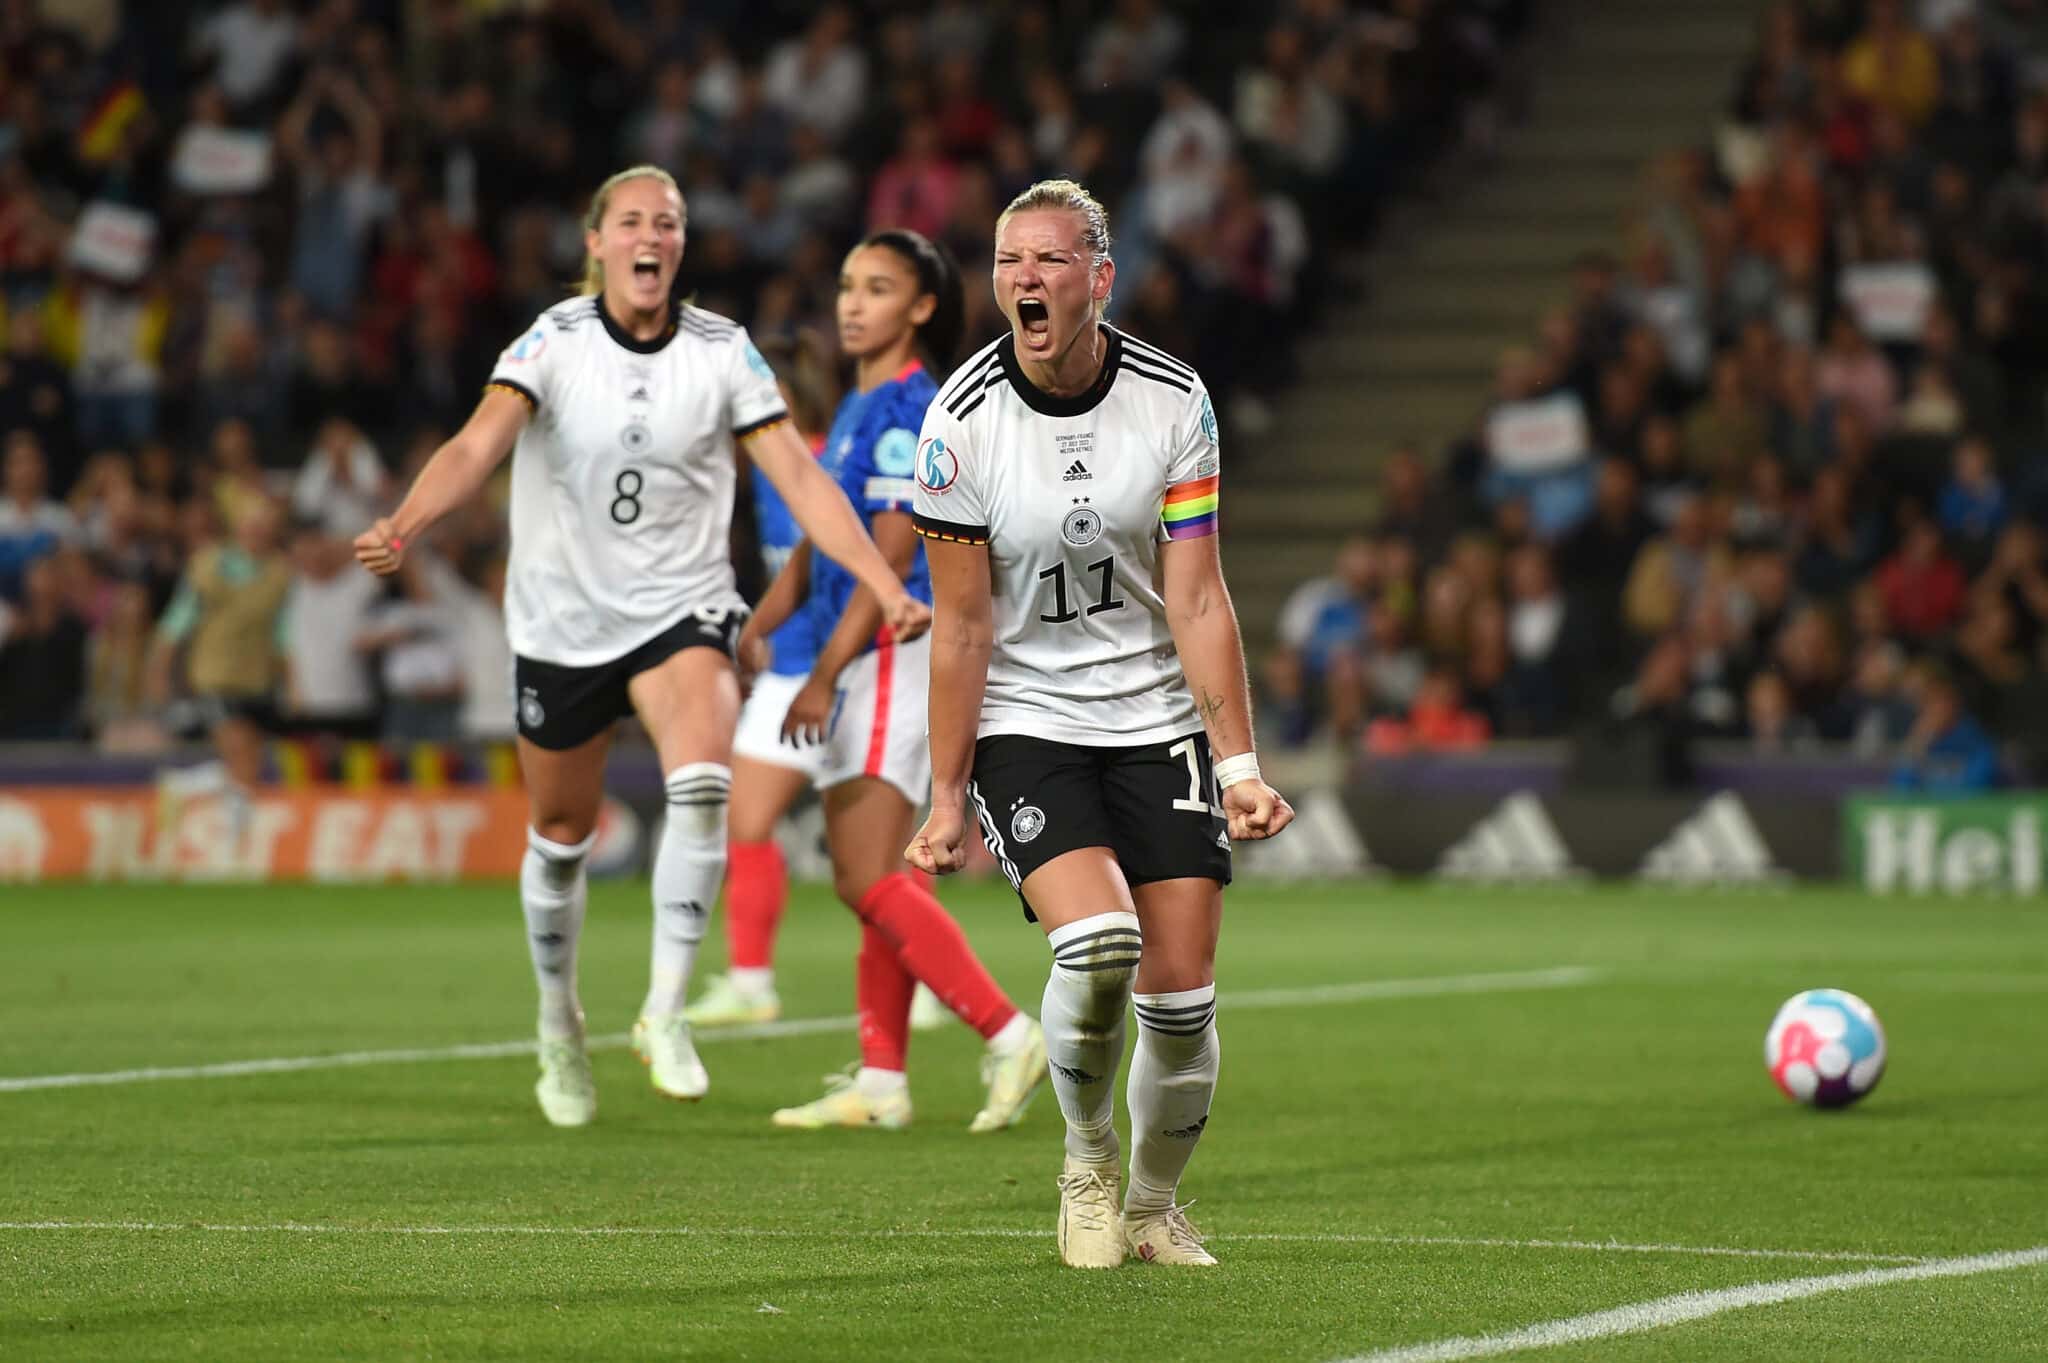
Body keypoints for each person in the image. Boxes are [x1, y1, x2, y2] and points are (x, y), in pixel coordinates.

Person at [353, 165, 929, 1129]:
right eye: (632, 221)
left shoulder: (722, 352)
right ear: (599, 243)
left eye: (667, 221)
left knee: (703, 778)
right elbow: (475, 445)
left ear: (680, 248)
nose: (650, 235)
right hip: (563, 621)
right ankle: (557, 1024)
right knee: (562, 835)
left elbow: (801, 475)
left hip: (681, 608)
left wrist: (879, 582)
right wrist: (406, 522)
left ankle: (666, 1008)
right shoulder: (552, 342)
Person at [905, 181, 1293, 1268]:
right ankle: (1085, 1156)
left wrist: (1239, 764)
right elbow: (962, 624)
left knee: (1182, 1000)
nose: (1024, 279)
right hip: (1029, 717)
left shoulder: (1173, 401)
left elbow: (1199, 596)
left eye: (1049, 260)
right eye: (1007, 262)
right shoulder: (960, 423)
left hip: (1155, 716)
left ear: (1099, 277)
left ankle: (1153, 1205)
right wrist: (944, 798)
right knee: (1097, 940)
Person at [736, 229, 1048, 1133]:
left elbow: (892, 550)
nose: (851, 303)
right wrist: (763, 622)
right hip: (854, 654)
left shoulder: (912, 409)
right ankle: (881, 1081)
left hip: (889, 656)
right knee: (865, 872)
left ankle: (1005, 1029)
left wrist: (823, 671)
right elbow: (819, 537)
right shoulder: (854, 412)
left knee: (869, 873)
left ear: (919, 308)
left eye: (877, 288)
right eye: (846, 284)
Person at [687, 336, 958, 1034]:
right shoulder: (761, 476)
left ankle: (931, 985)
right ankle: (751, 979)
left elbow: (868, 553)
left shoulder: (821, 458)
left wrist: (820, 664)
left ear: (795, 398)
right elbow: (797, 566)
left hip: (849, 665)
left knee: (882, 849)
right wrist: (761, 625)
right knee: (745, 820)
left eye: (768, 399)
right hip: (789, 674)